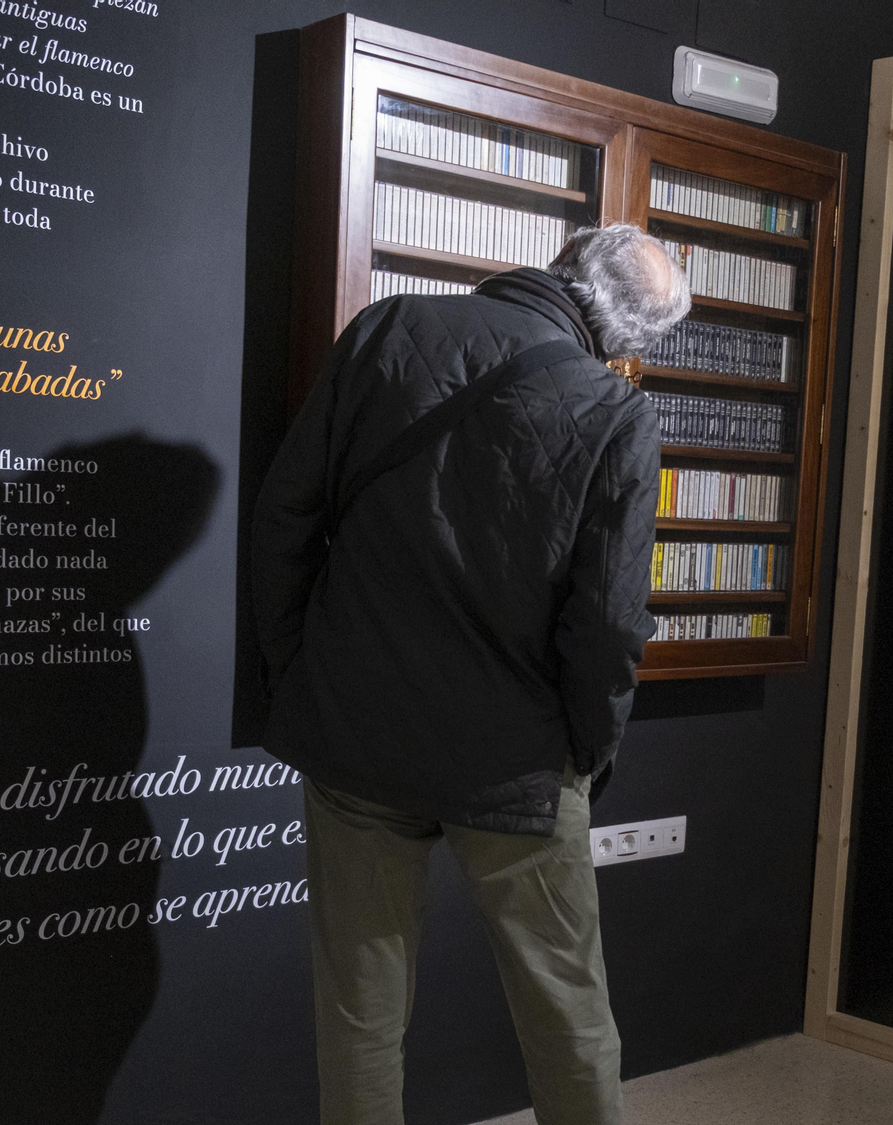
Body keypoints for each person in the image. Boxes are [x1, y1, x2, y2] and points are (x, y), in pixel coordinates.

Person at [252, 223, 689, 1125]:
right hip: (516, 763)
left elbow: (286, 515)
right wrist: (587, 753)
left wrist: (301, 670)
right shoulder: (615, 413)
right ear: (627, 342)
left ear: (566, 257)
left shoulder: (388, 329)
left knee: (358, 1017)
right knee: (567, 1013)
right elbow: (607, 627)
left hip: (355, 734)